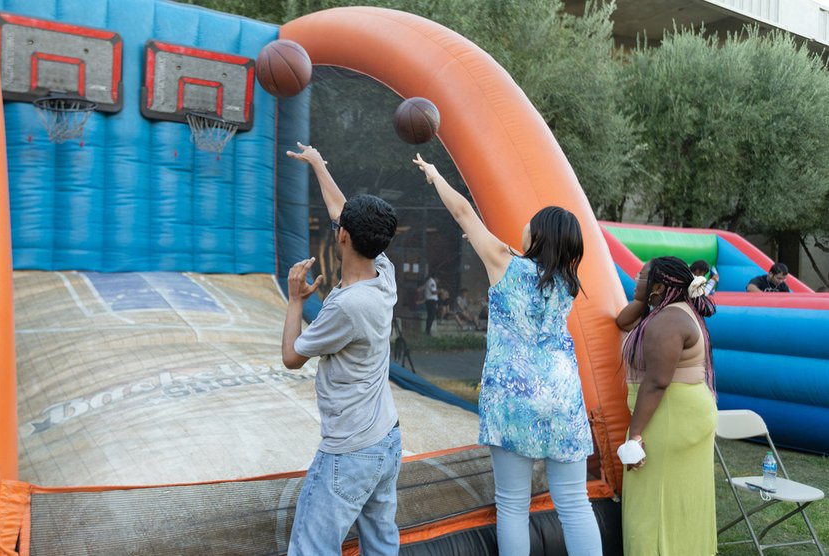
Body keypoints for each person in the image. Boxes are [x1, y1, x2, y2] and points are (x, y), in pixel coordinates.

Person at [413, 153, 602, 555]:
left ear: (539, 233)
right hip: (563, 396)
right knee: (573, 501)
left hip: (514, 397)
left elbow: (464, 211)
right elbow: (533, 266)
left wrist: (434, 176)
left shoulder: (503, 263)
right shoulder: (568, 281)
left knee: (513, 506)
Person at [282, 142, 402, 556]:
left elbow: (292, 356)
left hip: (350, 452)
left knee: (310, 549)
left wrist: (296, 300)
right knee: (382, 544)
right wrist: (318, 163)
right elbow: (342, 212)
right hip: (386, 438)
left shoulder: (348, 307)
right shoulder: (384, 272)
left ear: (344, 237)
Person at [617, 256, 718, 556]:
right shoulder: (667, 311)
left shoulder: (669, 321)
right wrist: (645, 297)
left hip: (670, 417)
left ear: (659, 286)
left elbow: (657, 382)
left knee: (650, 505)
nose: (635, 279)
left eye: (641, 276)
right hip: (673, 413)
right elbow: (623, 321)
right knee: (676, 501)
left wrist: (634, 436)